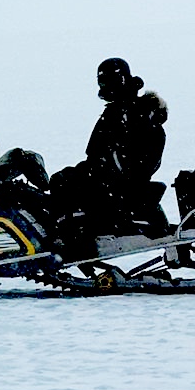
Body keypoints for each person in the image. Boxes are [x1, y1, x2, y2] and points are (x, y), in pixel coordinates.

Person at [50, 58, 170, 250]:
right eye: (102, 82)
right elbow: (100, 154)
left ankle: (76, 242)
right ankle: (71, 236)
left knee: (65, 184)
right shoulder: (124, 110)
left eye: (108, 81)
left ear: (121, 79)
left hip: (120, 184)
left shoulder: (129, 112)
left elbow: (121, 157)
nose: (104, 86)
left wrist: (99, 172)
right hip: (117, 180)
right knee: (63, 180)